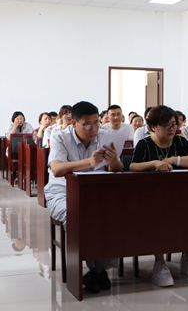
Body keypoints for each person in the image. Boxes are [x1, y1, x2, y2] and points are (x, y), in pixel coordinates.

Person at [44, 101, 123, 294]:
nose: (93, 128)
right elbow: (57, 169)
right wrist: (89, 162)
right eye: (87, 124)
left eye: (96, 123)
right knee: (76, 216)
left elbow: (118, 169)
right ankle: (82, 271)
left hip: (94, 193)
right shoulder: (60, 136)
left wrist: (113, 160)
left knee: (115, 215)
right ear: (74, 123)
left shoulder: (104, 135)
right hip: (61, 193)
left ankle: (97, 271)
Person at [129, 105, 188, 287]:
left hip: (180, 195)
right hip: (152, 197)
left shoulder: (179, 141)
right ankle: (159, 263)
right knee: (159, 217)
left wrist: (173, 160)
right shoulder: (145, 144)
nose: (172, 129)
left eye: (174, 125)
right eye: (167, 125)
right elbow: (132, 166)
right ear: (153, 127)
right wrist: (154, 163)